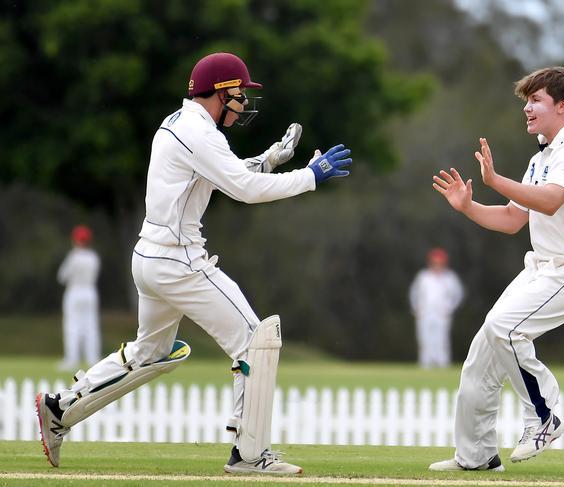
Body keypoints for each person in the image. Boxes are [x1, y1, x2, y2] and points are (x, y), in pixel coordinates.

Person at [36, 52, 352, 474]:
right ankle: (251, 455)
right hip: (179, 261)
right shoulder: (198, 132)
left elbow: (223, 175)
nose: (242, 104)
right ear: (219, 93)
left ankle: (60, 408)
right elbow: (243, 189)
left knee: (149, 353)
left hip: (150, 258)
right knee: (254, 340)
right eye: (239, 94)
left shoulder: (182, 124)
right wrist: (311, 176)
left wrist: (270, 159)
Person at [429, 66, 564, 472]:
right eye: (526, 101)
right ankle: (476, 457)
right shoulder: (542, 155)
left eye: (536, 100)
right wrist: (468, 206)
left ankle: (543, 416)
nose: (527, 108)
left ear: (562, 106)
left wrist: (495, 180)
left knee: (505, 328)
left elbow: (549, 201)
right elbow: (513, 219)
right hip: (544, 268)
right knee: (483, 351)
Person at [409, 247, 463, 368]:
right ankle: (425, 364)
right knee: (424, 338)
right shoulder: (423, 277)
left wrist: (450, 308)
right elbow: (414, 293)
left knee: (441, 339)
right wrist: (416, 308)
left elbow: (457, 295)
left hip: (441, 314)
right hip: (425, 312)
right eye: (435, 263)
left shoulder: (450, 278)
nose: (437, 266)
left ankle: (443, 363)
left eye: (440, 263)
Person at [57, 225, 101, 370]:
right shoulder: (93, 257)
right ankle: (92, 359)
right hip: (90, 292)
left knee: (72, 326)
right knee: (91, 326)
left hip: (75, 291)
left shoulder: (73, 257)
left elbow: (62, 277)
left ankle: (72, 359)